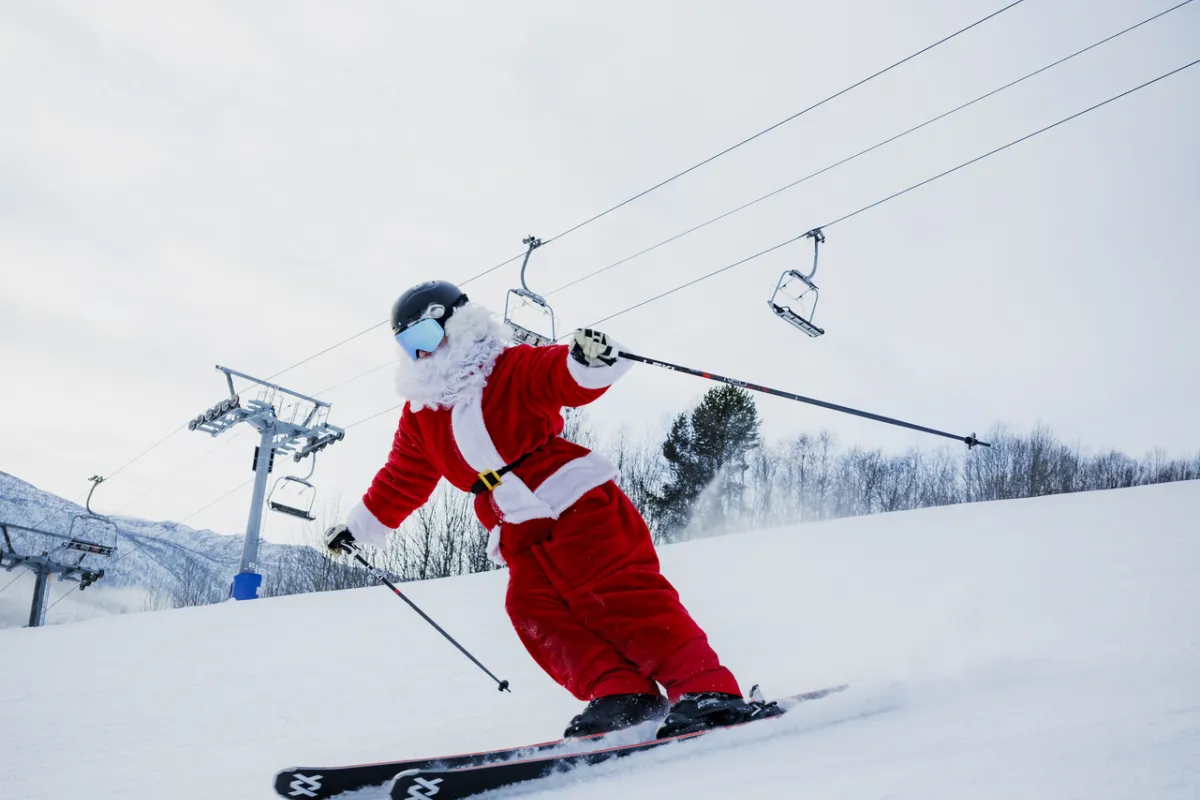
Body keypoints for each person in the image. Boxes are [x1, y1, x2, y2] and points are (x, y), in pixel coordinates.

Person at [323, 279, 782, 739]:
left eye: (424, 338)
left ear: (457, 324)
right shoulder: (422, 412)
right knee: (532, 608)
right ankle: (622, 692)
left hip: (574, 499)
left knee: (618, 595)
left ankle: (705, 688)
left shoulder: (507, 366)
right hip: (515, 524)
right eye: (408, 346)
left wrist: (586, 361)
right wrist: (359, 528)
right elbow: (403, 475)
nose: (420, 355)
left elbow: (559, 376)